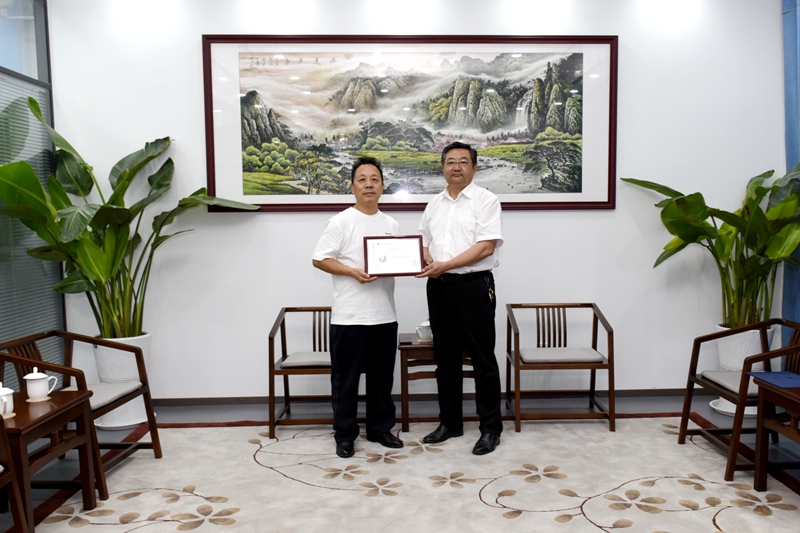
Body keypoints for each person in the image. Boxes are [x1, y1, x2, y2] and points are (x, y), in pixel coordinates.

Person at [312, 156, 404, 458]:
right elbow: (319, 258)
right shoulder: (340, 221)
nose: (369, 184)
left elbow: (398, 259)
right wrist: (352, 272)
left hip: (384, 315)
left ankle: (380, 429)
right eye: (362, 179)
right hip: (349, 316)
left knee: (382, 379)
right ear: (352, 186)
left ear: (383, 186)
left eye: (375, 179)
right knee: (346, 381)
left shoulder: (391, 224)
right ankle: (345, 435)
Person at [416, 141, 504, 455]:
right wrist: (426, 257)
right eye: (451, 161)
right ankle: (450, 423)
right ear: (442, 167)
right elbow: (424, 242)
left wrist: (445, 264)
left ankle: (490, 429)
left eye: (464, 161)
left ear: (474, 168)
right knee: (446, 359)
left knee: (483, 359)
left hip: (474, 286)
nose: (457, 166)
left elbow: (486, 247)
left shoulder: (486, 200)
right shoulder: (433, 204)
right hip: (439, 287)